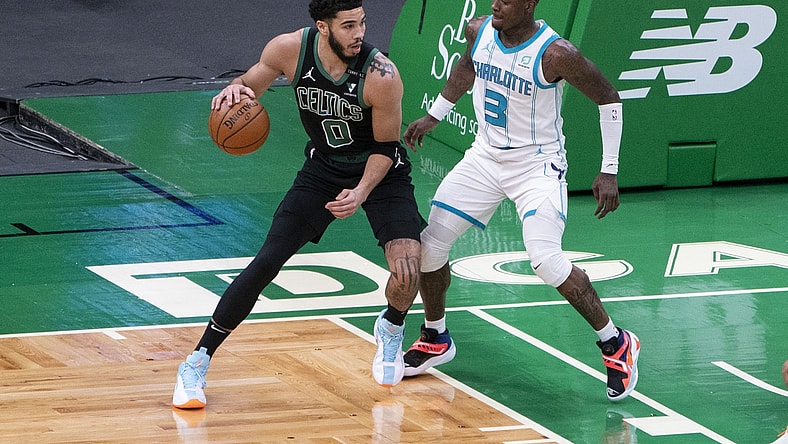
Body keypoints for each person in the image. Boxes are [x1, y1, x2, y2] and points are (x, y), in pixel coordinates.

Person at [172, 0, 424, 409]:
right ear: (323, 27)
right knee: (267, 260)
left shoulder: (381, 75)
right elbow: (252, 83)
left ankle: (391, 326)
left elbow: (384, 148)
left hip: (381, 174)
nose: (359, 33)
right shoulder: (288, 49)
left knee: (409, 265)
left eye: (361, 23)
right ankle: (197, 361)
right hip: (322, 171)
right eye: (347, 26)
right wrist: (240, 88)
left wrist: (361, 193)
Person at [402, 0, 640, 401]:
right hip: (484, 158)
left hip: (536, 166)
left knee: (546, 261)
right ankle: (435, 335)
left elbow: (609, 99)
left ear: (529, 5)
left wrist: (609, 169)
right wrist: (435, 114)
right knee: (429, 247)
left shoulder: (557, 54)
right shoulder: (479, 31)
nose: (495, 5)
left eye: (507, 1)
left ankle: (615, 342)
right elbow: (466, 67)